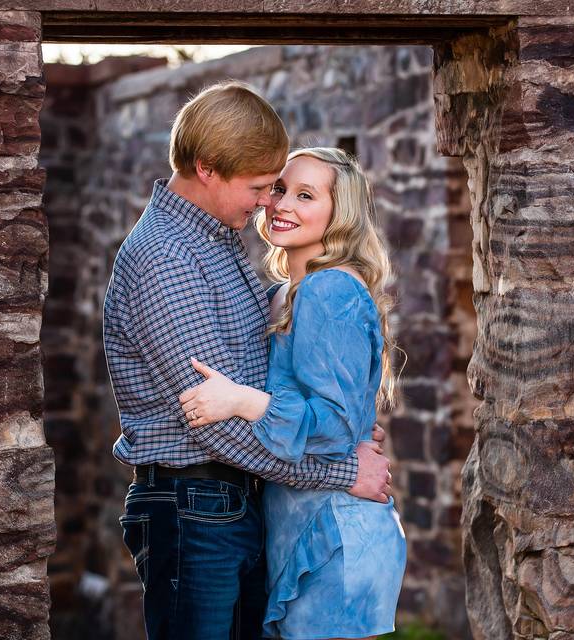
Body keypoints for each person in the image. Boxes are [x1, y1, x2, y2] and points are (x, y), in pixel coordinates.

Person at [102, 82, 393, 640]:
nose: (269, 202)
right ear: (208, 168)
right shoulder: (168, 259)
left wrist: (339, 418)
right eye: (262, 186)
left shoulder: (218, 240)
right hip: (194, 504)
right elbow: (218, 430)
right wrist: (342, 470)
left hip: (236, 501)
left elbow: (267, 376)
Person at [179, 147, 407, 639]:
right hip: (297, 522)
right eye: (280, 189)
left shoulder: (331, 290)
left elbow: (332, 428)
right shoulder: (282, 293)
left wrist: (243, 401)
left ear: (338, 212)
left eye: (306, 195)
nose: (282, 204)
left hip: (334, 532)